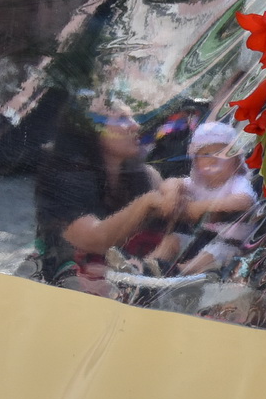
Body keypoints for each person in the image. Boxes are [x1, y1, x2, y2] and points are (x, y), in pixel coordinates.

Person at [34, 99, 182, 295]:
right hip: (66, 291)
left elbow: (175, 212)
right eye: (122, 118)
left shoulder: (145, 175)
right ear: (91, 130)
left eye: (131, 117)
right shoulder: (61, 177)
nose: (136, 125)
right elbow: (92, 240)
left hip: (127, 290)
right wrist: (144, 203)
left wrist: (174, 187)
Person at [152, 121, 259, 275]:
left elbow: (244, 201)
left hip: (232, 245)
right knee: (172, 240)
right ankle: (150, 266)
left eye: (221, 153)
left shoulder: (236, 182)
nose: (212, 159)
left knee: (211, 254)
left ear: (236, 158)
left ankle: (178, 272)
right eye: (205, 154)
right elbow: (170, 182)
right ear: (196, 161)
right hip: (201, 240)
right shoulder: (198, 183)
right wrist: (172, 195)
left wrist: (201, 207)